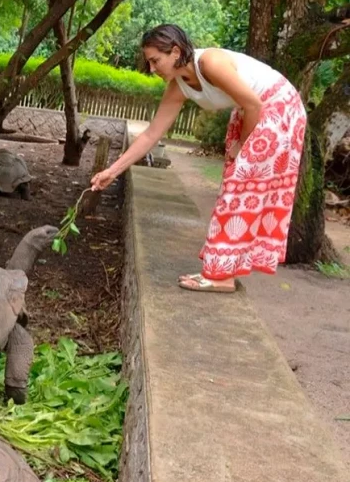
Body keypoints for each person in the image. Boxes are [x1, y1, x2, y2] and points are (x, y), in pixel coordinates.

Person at [91, 24, 307, 293]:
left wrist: (242, 144)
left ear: (175, 51)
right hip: (252, 110)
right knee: (235, 188)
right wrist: (113, 170)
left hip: (279, 107)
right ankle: (222, 270)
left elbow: (254, 104)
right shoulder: (178, 86)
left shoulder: (210, 63)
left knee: (239, 188)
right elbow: (151, 135)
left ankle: (221, 275)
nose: (152, 69)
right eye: (149, 63)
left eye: (155, 61)